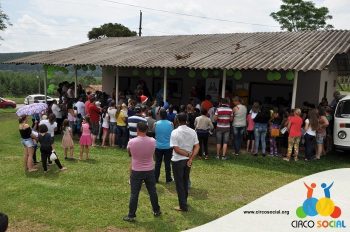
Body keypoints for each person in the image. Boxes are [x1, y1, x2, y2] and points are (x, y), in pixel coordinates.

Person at [123, 122, 161, 222]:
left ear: (137, 130)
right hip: (149, 170)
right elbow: (153, 153)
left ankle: (131, 215)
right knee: (152, 191)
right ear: (147, 129)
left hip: (136, 170)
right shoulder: (153, 141)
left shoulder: (132, 141)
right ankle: (156, 210)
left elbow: (129, 153)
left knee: (134, 193)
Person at [170, 113, 199, 212]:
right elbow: (197, 146)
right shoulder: (192, 131)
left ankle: (183, 206)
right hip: (187, 161)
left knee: (179, 183)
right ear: (186, 120)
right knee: (185, 181)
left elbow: (177, 149)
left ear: (177, 120)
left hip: (178, 160)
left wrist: (188, 156)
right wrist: (191, 158)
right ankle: (184, 202)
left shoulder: (174, 132)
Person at [154, 109, 174, 183]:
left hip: (158, 146)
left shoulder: (156, 123)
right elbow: (172, 134)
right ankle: (168, 179)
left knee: (157, 163)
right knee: (167, 163)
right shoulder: (171, 124)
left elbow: (154, 132)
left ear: (160, 115)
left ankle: (156, 178)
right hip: (168, 146)